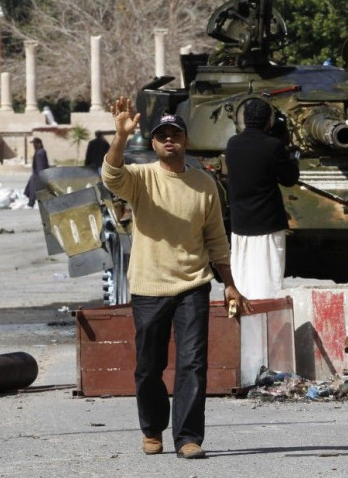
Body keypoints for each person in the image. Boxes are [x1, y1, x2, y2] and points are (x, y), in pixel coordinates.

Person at [101, 96, 245, 460]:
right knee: (149, 366)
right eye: (162, 135)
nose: (169, 140)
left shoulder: (204, 184)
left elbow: (215, 237)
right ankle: (152, 429)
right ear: (153, 143)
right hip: (150, 285)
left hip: (193, 284)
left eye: (175, 135)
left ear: (185, 141)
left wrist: (228, 282)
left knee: (193, 363)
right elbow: (111, 176)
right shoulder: (141, 179)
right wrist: (119, 136)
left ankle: (188, 437)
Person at [225, 98, 300, 299]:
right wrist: (290, 155)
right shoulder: (273, 146)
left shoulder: (232, 144)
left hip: (240, 226)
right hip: (267, 225)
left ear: (244, 119)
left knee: (243, 281)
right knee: (268, 284)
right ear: (269, 121)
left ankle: (245, 325)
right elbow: (289, 179)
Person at [24, 138, 49, 207]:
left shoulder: (40, 152)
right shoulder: (39, 152)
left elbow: (41, 166)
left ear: (39, 143)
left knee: (35, 191)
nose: (34, 145)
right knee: (33, 190)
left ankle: (31, 204)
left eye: (35, 143)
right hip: (36, 175)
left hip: (38, 176)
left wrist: (40, 176)